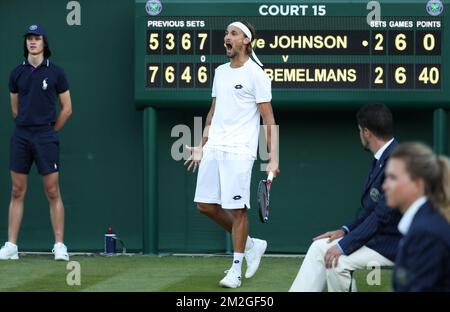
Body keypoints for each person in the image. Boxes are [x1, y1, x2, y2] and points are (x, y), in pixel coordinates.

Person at [184, 21, 279, 288]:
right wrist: (202, 144)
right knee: (205, 205)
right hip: (215, 146)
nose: (227, 37)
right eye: (226, 33)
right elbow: (213, 111)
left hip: (240, 149)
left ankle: (235, 269)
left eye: (233, 33)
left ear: (246, 41)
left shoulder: (257, 75)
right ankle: (251, 245)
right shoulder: (220, 72)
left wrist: (273, 157)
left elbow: (268, 119)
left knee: (237, 210)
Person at [289, 103, 402, 291]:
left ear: (366, 132)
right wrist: (345, 230)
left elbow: (380, 217)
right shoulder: (384, 158)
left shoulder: (397, 161)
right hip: (378, 236)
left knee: (337, 261)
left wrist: (343, 246)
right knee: (319, 247)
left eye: (359, 130)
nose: (359, 135)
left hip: (393, 243)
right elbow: (373, 211)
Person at [0, 24, 72, 261]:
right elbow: (15, 109)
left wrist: (50, 131)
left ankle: (59, 245)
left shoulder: (56, 73)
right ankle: (11, 245)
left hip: (45, 136)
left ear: (44, 43)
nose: (32, 42)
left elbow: (67, 108)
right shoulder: (16, 73)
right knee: (17, 190)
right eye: (29, 38)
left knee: (52, 191)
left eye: (37, 38)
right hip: (21, 136)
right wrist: (26, 125)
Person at [383, 142, 450, 291]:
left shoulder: (426, 234)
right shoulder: (425, 223)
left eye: (392, 178)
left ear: (418, 185)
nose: (384, 186)